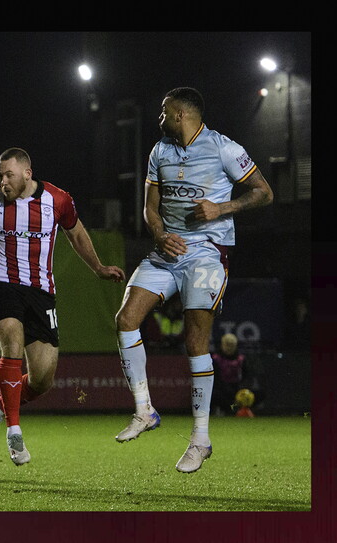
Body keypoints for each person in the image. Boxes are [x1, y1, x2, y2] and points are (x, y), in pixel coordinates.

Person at [0, 148, 125, 465]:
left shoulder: (58, 200)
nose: (2, 181)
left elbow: (76, 234)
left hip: (41, 292)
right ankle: (14, 433)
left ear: (27, 174)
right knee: (11, 344)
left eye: (8, 175)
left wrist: (99, 268)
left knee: (42, 380)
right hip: (3, 285)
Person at [113, 87, 274, 473]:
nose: (160, 119)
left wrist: (223, 206)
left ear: (182, 115)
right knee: (125, 320)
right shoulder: (159, 151)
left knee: (195, 341)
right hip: (167, 251)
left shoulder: (224, 148)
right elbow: (150, 208)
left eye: (164, 112)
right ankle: (144, 410)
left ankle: (200, 439)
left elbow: (264, 192)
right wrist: (158, 234)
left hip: (207, 252)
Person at [210, 333, 245, 416]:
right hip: (222, 390)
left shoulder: (241, 359)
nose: (229, 347)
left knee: (257, 394)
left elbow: (245, 376)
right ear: (222, 345)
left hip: (237, 389)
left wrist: (241, 388)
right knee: (212, 395)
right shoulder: (216, 359)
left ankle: (239, 408)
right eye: (227, 344)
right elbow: (215, 379)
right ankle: (230, 409)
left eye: (232, 344)